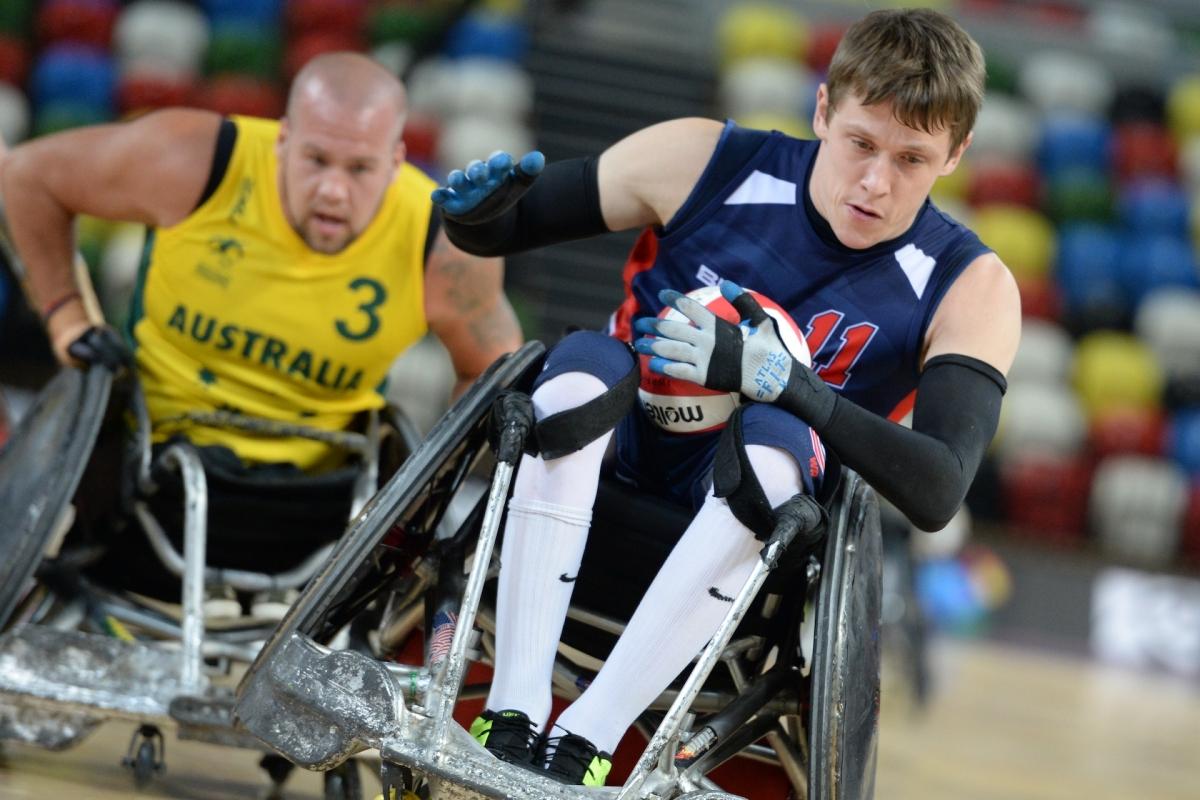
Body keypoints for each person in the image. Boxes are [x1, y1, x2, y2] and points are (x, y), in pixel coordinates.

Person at [433, 8, 1020, 787]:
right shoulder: (705, 159)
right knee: (581, 362)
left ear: (957, 154)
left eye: (913, 158)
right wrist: (472, 221)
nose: (878, 182)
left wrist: (796, 388)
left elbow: (939, 488)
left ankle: (587, 736)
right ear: (822, 109)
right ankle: (512, 710)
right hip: (605, 457)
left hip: (757, 535)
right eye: (861, 143)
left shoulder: (969, 286)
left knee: (776, 431)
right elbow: (501, 229)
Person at [0, 52, 522, 599]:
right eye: (316, 159)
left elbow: (493, 373)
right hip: (146, 476)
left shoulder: (441, 237)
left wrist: (434, 482)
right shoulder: (199, 160)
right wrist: (66, 318)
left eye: (360, 168)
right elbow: (29, 176)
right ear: (282, 140)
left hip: (320, 509)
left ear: (396, 161)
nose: (333, 190)